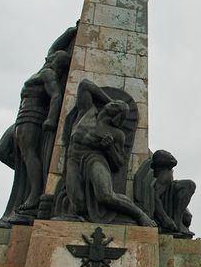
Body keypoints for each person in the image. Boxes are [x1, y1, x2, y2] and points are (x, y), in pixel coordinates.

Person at [56, 80, 155, 226]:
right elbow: (85, 85)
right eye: (113, 103)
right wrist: (111, 101)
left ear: (118, 116)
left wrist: (109, 149)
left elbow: (119, 164)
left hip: (94, 160)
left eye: (117, 107)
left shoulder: (116, 134)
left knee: (105, 196)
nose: (113, 104)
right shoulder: (87, 113)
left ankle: (139, 214)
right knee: (78, 206)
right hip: (73, 160)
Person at [0, 50, 70, 226]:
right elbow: (54, 48)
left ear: (56, 61)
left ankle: (34, 195)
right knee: (2, 152)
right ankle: (28, 185)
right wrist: (73, 30)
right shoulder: (43, 70)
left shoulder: (48, 73)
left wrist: (52, 118)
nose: (49, 57)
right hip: (21, 116)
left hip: (33, 116)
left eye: (53, 57)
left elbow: (56, 95)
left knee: (30, 155)